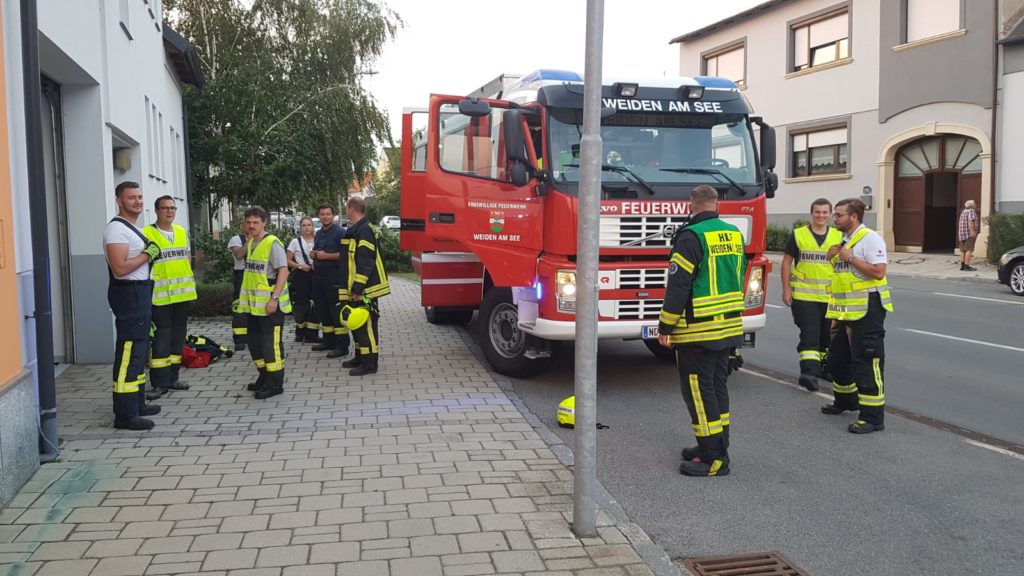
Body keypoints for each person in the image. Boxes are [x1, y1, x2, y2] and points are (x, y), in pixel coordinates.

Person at [657, 185, 746, 477]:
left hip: (698, 330)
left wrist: (665, 326)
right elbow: (739, 274)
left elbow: (679, 285)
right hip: (728, 326)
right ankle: (716, 444)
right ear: (716, 203)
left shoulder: (690, 236)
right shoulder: (733, 232)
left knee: (698, 391)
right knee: (717, 387)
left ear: (691, 205)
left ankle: (714, 459)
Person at [822, 198, 892, 434]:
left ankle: (873, 417)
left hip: (867, 310)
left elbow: (878, 272)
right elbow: (845, 277)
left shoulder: (870, 238)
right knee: (837, 359)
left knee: (866, 361)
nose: (834, 218)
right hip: (844, 312)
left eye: (839, 215)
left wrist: (850, 257)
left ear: (853, 216)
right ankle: (845, 401)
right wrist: (833, 257)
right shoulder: (845, 240)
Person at [103, 181, 162, 430]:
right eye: (131, 198)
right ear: (119, 200)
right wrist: (148, 254)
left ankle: (137, 403)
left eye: (139, 197)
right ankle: (125, 414)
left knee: (138, 352)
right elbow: (119, 269)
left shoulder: (130, 227)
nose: (137, 201)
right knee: (129, 353)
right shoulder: (116, 230)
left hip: (139, 293)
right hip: (129, 295)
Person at [780, 198, 842, 392]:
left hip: (830, 297)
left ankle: (825, 368)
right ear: (812, 214)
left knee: (827, 337)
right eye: (817, 212)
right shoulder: (799, 235)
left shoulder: (838, 236)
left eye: (825, 212)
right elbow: (786, 262)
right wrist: (786, 290)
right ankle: (809, 374)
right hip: (804, 297)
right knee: (810, 335)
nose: (821, 216)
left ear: (831, 215)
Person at [143, 196, 197, 398]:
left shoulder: (181, 231)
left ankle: (173, 378)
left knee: (177, 339)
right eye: (165, 208)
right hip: (160, 297)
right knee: (161, 341)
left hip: (182, 296)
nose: (169, 211)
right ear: (156, 211)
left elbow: (185, 258)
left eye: (172, 208)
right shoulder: (147, 233)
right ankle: (159, 383)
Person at [238, 206, 291, 400]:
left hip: (270, 305)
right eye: (248, 222)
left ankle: (276, 383)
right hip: (254, 306)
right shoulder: (252, 243)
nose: (251, 226)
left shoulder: (272, 243)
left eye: (255, 222)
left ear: (264, 223)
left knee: (271, 344)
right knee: (255, 342)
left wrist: (274, 298)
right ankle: (264, 376)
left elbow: (283, 271)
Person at [340, 195, 391, 376]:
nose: (346, 212)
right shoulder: (358, 229)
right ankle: (361, 356)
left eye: (347, 209)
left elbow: (366, 261)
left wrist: (358, 288)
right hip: (358, 288)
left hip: (365, 289)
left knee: (367, 325)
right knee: (358, 324)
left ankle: (370, 363)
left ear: (351, 209)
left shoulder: (365, 230)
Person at [309, 204, 347, 358]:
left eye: (328, 214)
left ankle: (341, 346)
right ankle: (328, 341)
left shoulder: (340, 233)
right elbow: (319, 252)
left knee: (335, 311)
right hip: (319, 276)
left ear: (333, 215)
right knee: (323, 309)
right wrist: (314, 255)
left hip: (334, 276)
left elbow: (345, 255)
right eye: (322, 214)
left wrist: (326, 256)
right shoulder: (318, 233)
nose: (325, 216)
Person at [287, 217, 320, 343]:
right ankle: (299, 332)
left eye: (309, 225)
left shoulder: (318, 240)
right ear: (300, 228)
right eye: (304, 225)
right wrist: (300, 266)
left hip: (316, 274)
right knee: (301, 305)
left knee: (316, 304)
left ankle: (312, 334)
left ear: (312, 227)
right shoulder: (295, 242)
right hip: (301, 276)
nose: (306, 227)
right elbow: (288, 260)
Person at [227, 229, 249, 351]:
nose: (251, 226)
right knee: (240, 306)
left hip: (257, 274)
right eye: (248, 222)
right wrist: (249, 240)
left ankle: (253, 335)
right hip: (241, 273)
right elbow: (239, 255)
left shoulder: (265, 239)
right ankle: (240, 338)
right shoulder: (236, 239)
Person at [957, 199, 979, 272]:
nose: (976, 204)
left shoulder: (963, 212)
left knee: (962, 250)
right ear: (972, 205)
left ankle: (962, 266)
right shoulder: (971, 211)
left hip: (962, 234)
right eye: (974, 203)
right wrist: (972, 232)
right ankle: (967, 266)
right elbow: (970, 221)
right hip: (968, 234)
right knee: (969, 249)